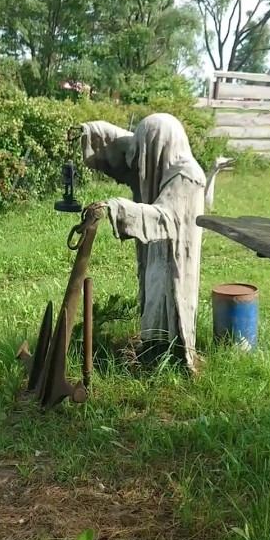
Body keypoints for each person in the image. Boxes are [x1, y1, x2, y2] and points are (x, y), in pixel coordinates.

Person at [71, 114, 206, 374]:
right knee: (154, 297)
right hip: (157, 250)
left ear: (160, 142)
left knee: (169, 302)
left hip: (175, 256)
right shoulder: (163, 160)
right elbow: (127, 145)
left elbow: (166, 218)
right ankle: (153, 349)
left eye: (146, 147)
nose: (140, 158)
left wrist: (117, 207)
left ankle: (171, 358)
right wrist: (91, 130)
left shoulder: (186, 175)